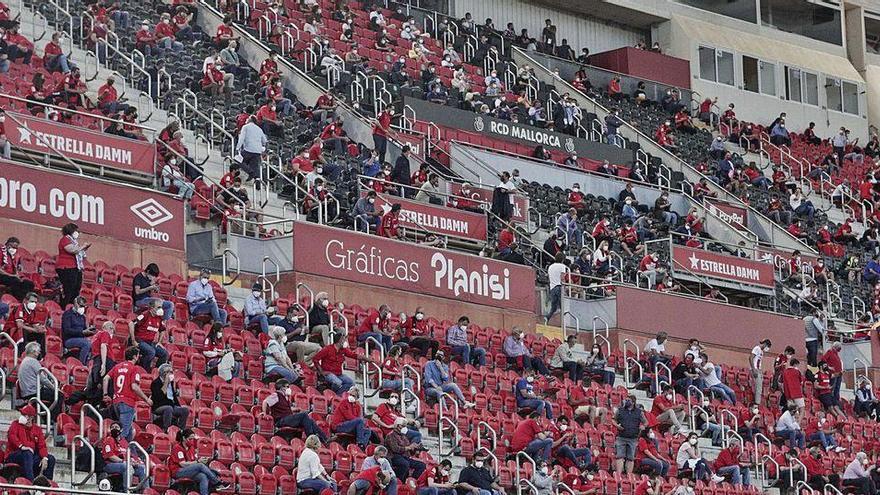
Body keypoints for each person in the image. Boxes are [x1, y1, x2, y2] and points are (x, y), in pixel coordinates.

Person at [103, 346, 150, 441]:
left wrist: (105, 394)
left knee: (129, 432)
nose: (139, 357)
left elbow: (105, 378)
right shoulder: (134, 368)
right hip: (127, 402)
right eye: (137, 355)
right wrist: (147, 399)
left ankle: (129, 453)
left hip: (116, 401)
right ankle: (114, 451)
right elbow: (134, 387)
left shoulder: (117, 367)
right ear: (134, 356)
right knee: (122, 433)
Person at [262, 379, 327, 440]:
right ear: (282, 388)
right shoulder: (276, 395)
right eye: (287, 387)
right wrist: (264, 413)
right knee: (304, 415)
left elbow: (287, 409)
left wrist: (297, 409)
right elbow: (265, 402)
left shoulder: (285, 397)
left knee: (310, 421)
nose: (289, 388)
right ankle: (310, 437)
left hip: (287, 418)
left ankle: (324, 439)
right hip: (281, 420)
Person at [169, 429, 228, 495]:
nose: (192, 441)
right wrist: (198, 461)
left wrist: (203, 460)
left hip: (189, 471)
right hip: (178, 472)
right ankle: (216, 482)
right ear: (184, 438)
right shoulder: (177, 448)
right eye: (190, 439)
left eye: (193, 439)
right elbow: (183, 464)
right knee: (200, 465)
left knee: (203, 476)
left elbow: (194, 460)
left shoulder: (191, 448)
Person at [6, 404, 54, 481]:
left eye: (24, 415)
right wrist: (22, 446)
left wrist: (44, 457)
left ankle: (46, 484)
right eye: (22, 414)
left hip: (30, 457)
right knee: (27, 452)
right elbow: (12, 436)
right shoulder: (15, 424)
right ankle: (31, 482)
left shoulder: (37, 429)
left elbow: (42, 446)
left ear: (31, 418)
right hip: (14, 455)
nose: (22, 416)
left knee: (50, 458)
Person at [101, 421, 148, 491]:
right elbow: (111, 456)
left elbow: (130, 455)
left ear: (121, 430)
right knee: (127, 466)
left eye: (116, 427)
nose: (114, 429)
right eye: (112, 428)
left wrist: (134, 462)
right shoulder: (109, 440)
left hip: (125, 463)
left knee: (142, 468)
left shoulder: (124, 442)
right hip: (109, 465)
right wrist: (124, 461)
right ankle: (127, 491)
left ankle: (146, 491)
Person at [56, 222, 90, 308]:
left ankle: (71, 305)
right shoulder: (65, 239)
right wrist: (82, 247)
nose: (78, 233)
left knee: (76, 287)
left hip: (75, 267)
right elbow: (72, 250)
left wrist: (83, 248)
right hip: (66, 267)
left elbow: (79, 253)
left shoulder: (74, 241)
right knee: (69, 287)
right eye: (76, 231)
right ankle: (64, 305)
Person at [129, 299, 168, 372]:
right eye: (159, 307)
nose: (161, 309)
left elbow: (162, 330)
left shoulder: (159, 318)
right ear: (152, 308)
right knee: (151, 352)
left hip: (149, 342)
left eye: (161, 307)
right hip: (139, 340)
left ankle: (157, 373)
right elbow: (131, 324)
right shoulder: (145, 315)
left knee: (164, 353)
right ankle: (143, 370)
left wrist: (159, 342)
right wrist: (133, 340)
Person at [150, 363, 190, 430]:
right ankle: (166, 429)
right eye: (169, 372)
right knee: (168, 409)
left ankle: (180, 430)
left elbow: (174, 396)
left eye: (171, 372)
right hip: (158, 406)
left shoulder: (170, 383)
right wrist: (165, 383)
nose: (171, 374)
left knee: (185, 410)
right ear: (163, 373)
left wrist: (178, 406)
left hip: (171, 405)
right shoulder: (155, 383)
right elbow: (159, 397)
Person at [60, 296, 93, 365]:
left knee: (94, 342)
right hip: (69, 339)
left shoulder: (82, 317)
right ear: (75, 304)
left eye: (84, 306)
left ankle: (88, 363)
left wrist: (90, 331)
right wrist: (82, 332)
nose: (83, 308)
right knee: (86, 343)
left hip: (81, 339)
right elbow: (67, 330)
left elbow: (84, 331)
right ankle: (81, 364)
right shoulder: (67, 314)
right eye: (81, 306)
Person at [236, 116, 267, 180]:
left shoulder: (245, 127)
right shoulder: (259, 129)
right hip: (257, 151)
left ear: (250, 120)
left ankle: (250, 172)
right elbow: (265, 140)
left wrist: (237, 148)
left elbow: (241, 138)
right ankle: (257, 182)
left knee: (238, 159)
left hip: (248, 149)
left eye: (247, 119)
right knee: (254, 167)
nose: (246, 120)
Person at [545, 252, 566, 323]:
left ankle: (547, 317)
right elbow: (562, 278)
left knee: (553, 307)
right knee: (563, 306)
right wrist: (565, 286)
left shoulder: (550, 266)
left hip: (552, 288)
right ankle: (564, 322)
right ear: (563, 259)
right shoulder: (562, 266)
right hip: (559, 287)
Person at [750, 338, 770, 404]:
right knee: (758, 387)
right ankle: (757, 403)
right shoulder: (757, 348)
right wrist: (754, 369)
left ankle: (757, 401)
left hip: (759, 370)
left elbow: (759, 362)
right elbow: (751, 358)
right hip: (755, 369)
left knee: (759, 387)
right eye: (767, 346)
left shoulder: (761, 351)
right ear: (765, 344)